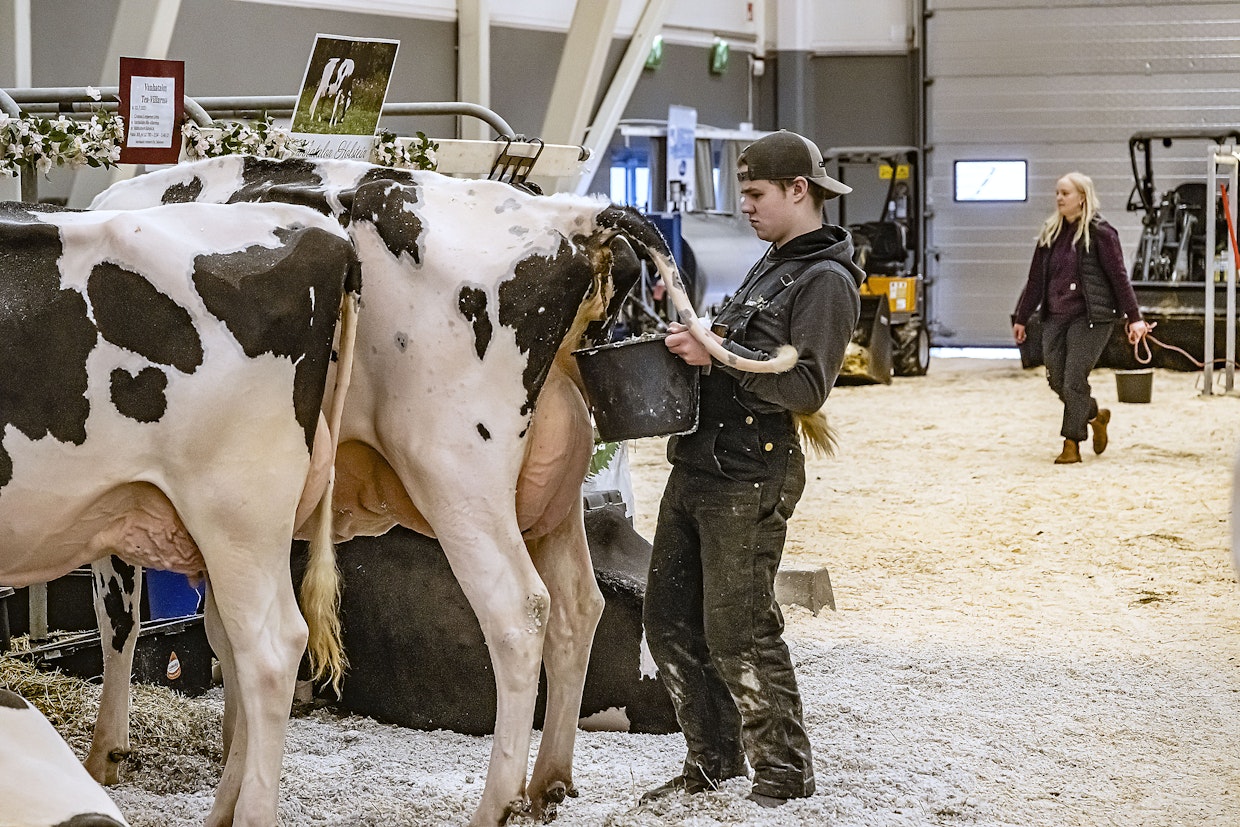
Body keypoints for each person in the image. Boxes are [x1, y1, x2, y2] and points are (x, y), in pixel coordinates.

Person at [641, 130, 863, 808]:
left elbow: (806, 387)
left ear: (799, 190)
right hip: (700, 461)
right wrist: (702, 342)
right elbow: (747, 347)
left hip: (750, 472)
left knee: (739, 631)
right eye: (743, 192)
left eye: (756, 193)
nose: (745, 205)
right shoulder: (776, 261)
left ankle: (785, 772)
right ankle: (712, 762)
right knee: (669, 621)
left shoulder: (826, 281)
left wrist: (715, 354)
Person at [1012, 171, 1150, 464]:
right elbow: (1035, 280)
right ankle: (1096, 416)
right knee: (1057, 380)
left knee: (1074, 378)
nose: (1059, 198)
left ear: (1082, 197)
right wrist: (1022, 317)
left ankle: (1071, 444)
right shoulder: (1050, 233)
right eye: (1057, 193)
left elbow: (1119, 277)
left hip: (1092, 318)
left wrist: (1134, 317)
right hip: (1055, 316)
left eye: (1065, 193)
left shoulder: (1101, 233)